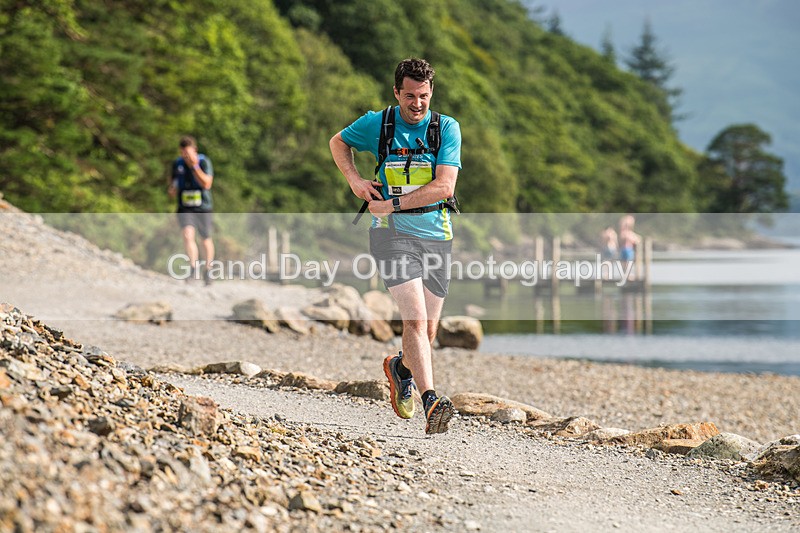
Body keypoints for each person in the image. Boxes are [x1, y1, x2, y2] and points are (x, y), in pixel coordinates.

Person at [329, 58, 462, 434]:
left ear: (431, 92)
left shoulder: (445, 128)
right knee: (415, 321)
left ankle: (399, 368)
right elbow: (338, 142)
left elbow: (444, 187)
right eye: (409, 96)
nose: (416, 104)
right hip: (389, 234)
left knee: (428, 332)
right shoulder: (380, 123)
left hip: (436, 234)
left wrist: (393, 202)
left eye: (423, 96)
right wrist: (355, 181)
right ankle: (431, 400)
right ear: (396, 93)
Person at [167, 136, 215, 285]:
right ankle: (193, 269)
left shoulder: (204, 161)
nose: (185, 156)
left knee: (205, 238)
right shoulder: (178, 164)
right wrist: (172, 189)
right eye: (183, 153)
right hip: (185, 207)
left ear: (194, 150)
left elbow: (207, 184)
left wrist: (195, 166)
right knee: (188, 236)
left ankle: (208, 270)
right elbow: (173, 182)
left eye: (188, 153)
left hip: (203, 207)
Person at [618, 214, 640, 280]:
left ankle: (628, 275)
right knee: (625, 263)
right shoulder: (624, 233)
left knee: (628, 262)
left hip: (628, 249)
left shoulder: (628, 233)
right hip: (625, 249)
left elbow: (637, 240)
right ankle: (626, 275)